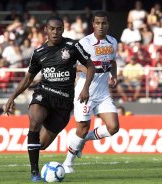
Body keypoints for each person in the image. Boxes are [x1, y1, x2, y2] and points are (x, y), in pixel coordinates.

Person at [3, 16, 95, 182]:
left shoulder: (72, 46)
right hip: (44, 93)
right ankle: (34, 172)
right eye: (52, 28)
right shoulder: (39, 53)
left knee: (41, 145)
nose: (55, 31)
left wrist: (85, 88)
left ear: (63, 30)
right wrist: (12, 97)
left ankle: (32, 139)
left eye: (59, 28)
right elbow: (28, 79)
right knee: (35, 120)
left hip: (64, 102)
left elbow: (90, 66)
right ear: (46, 30)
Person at [62, 11, 120, 174]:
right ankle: (67, 163)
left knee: (113, 127)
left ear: (108, 24)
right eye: (97, 23)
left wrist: (113, 75)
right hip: (85, 92)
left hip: (103, 94)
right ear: (93, 24)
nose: (101, 26)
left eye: (104, 23)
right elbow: (70, 64)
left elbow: (113, 61)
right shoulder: (85, 43)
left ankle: (83, 141)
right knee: (82, 128)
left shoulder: (113, 42)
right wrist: (87, 70)